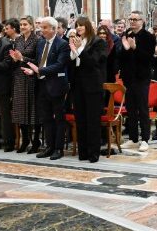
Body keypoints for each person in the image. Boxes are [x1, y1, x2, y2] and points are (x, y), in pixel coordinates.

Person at [23, 17, 70, 160]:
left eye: (44, 27)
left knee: (59, 118)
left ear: (53, 29)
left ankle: (58, 149)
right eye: (41, 27)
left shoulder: (62, 44)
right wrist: (31, 69)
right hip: (42, 85)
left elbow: (60, 65)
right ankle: (49, 147)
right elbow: (39, 62)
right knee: (46, 118)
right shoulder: (41, 43)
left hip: (57, 85)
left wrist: (39, 70)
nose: (41, 30)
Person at [69, 17, 107, 162]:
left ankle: (93, 153)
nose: (79, 28)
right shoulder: (76, 41)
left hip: (93, 85)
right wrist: (73, 51)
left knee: (92, 120)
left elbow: (93, 62)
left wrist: (80, 49)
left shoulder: (98, 42)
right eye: (77, 25)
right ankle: (83, 152)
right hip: (78, 85)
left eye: (82, 25)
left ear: (88, 27)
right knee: (80, 119)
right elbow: (73, 64)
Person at [119, 11, 155, 152]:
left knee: (142, 108)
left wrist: (135, 48)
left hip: (142, 77)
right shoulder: (127, 34)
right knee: (131, 109)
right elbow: (122, 58)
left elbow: (148, 58)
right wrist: (126, 48)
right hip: (129, 78)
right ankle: (133, 138)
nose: (132, 21)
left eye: (135, 19)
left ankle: (145, 139)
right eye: (130, 19)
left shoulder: (148, 37)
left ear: (142, 21)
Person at [9, 16, 41, 153]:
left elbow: (38, 60)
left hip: (31, 77)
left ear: (31, 26)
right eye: (21, 24)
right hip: (19, 77)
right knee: (20, 110)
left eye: (25, 24)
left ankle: (36, 141)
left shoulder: (37, 40)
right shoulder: (18, 40)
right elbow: (16, 59)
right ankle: (25, 140)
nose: (22, 27)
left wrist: (22, 58)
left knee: (33, 111)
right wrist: (15, 59)